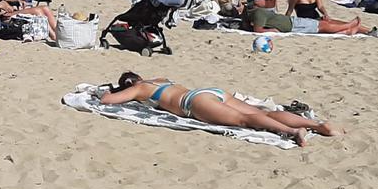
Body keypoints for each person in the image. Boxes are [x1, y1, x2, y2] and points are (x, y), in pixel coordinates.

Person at [98, 72, 341, 146]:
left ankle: (293, 132)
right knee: (261, 112)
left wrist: (107, 92)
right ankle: (316, 125)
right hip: (210, 91)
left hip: (193, 103)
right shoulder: (159, 79)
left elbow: (108, 101)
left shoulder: (139, 89)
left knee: (246, 120)